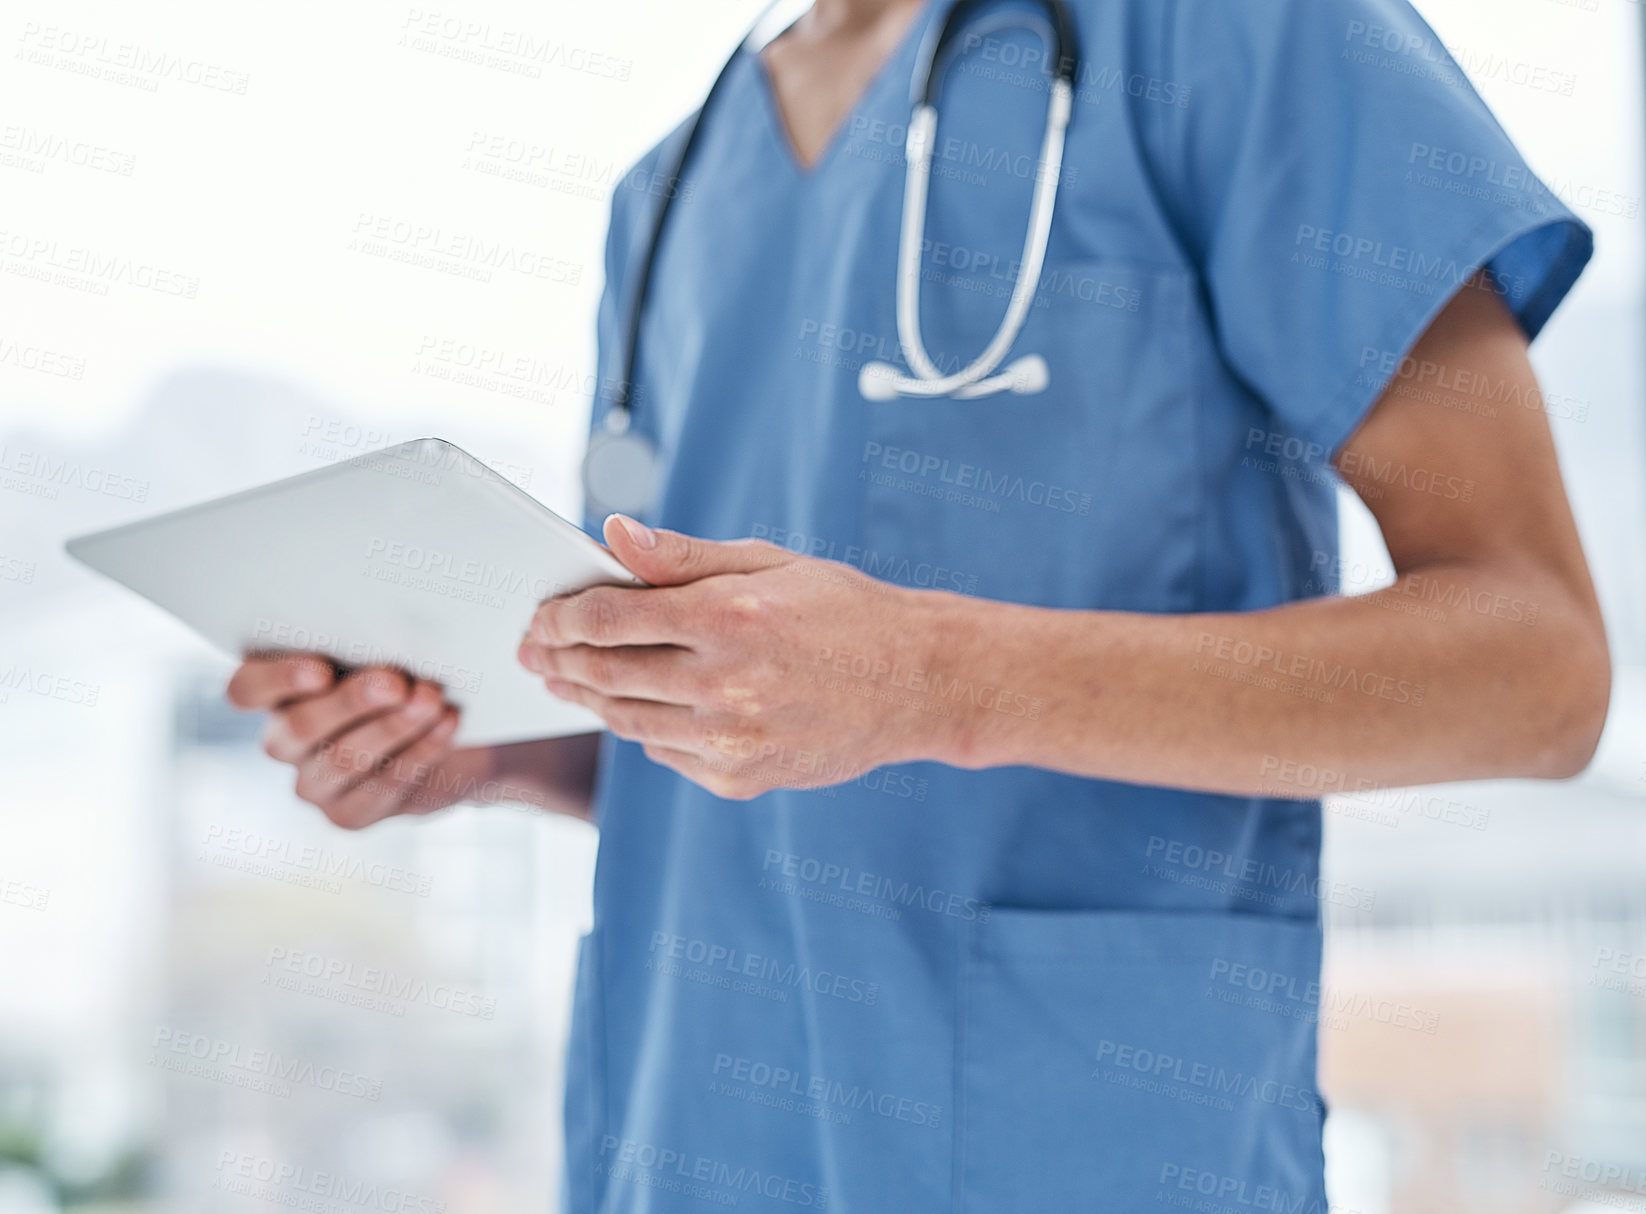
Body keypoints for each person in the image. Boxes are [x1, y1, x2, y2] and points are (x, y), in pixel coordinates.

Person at [227, 0, 1611, 1207]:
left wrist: (933, 680)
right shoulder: (666, 195)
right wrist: (502, 754)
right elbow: (760, 707)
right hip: (687, 1135)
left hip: (1082, 1145)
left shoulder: (1238, 31)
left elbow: (1536, 670)